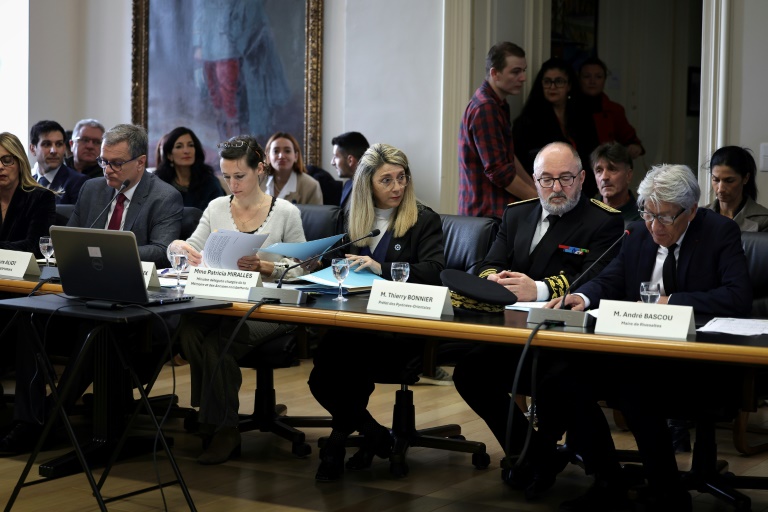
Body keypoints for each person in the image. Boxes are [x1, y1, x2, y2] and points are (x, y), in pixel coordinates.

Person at [548, 164, 751, 511]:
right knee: (565, 377)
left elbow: (737, 296)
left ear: (690, 211)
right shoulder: (638, 233)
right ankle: (608, 478)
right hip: (639, 351)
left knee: (634, 387)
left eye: (665, 218)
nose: (654, 226)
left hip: (697, 360)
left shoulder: (720, 232)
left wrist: (672, 302)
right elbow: (611, 278)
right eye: (647, 214)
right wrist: (583, 297)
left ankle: (668, 492)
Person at [451, 142, 624, 499]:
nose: (556, 188)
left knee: (557, 380)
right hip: (515, 334)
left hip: (568, 339)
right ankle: (530, 452)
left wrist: (540, 290)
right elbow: (487, 262)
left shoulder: (603, 221)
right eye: (546, 179)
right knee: (470, 371)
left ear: (581, 179)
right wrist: (492, 281)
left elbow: (597, 277)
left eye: (565, 179)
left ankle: (605, 474)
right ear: (534, 179)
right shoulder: (517, 214)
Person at [308, 143, 445, 482]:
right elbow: (332, 260)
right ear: (367, 184)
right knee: (321, 377)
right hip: (354, 322)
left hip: (400, 329)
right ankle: (378, 437)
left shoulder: (423, 219)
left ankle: (340, 443)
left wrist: (381, 266)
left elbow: (434, 270)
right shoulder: (351, 215)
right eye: (387, 180)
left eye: (402, 178)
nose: (397, 187)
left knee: (345, 365)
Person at [170, 135, 306, 465]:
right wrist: (179, 248)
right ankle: (212, 416)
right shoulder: (217, 207)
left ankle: (223, 428)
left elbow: (304, 267)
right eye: (226, 177)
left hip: (269, 305)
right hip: (222, 301)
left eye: (239, 176)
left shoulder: (285, 212)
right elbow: (187, 245)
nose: (232, 184)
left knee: (219, 343)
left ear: (260, 169)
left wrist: (266, 266)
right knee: (187, 330)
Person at [68, 124, 183, 268]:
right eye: (103, 161)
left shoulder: (164, 197)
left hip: (133, 276)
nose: (107, 170)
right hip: (87, 271)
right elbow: (70, 239)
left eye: (117, 163)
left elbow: (162, 251)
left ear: (140, 162)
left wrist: (109, 251)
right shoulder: (91, 189)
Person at [458, 41, 537, 218]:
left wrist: (534, 186)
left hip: (490, 212)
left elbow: (507, 157)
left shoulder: (497, 103)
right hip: (485, 215)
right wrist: (539, 199)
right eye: (516, 72)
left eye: (523, 71)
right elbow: (500, 172)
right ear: (495, 73)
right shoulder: (486, 107)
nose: (523, 78)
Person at [513, 58, 600, 199]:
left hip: (582, 194)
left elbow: (593, 155)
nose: (552, 87)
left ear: (569, 85)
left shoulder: (582, 118)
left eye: (559, 81)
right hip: (547, 195)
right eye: (547, 82)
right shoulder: (527, 122)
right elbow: (520, 165)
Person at [0, 132, 56, 257]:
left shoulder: (41, 198)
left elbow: (36, 246)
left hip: (27, 273)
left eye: (7, 160)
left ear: (20, 162)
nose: (0, 166)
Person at [578, 57, 644, 159]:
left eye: (598, 77)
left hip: (602, 167)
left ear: (604, 80)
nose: (592, 81)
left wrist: (634, 147)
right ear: (579, 79)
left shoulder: (614, 110)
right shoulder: (568, 107)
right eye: (587, 76)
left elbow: (630, 139)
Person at [154, 126, 225, 211]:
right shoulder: (158, 182)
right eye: (179, 146)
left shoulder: (209, 181)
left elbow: (220, 213)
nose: (186, 151)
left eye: (190, 145)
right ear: (170, 156)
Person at [706, 145, 768, 231]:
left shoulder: (763, 220)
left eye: (729, 181)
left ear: (745, 178)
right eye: (715, 179)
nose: (720, 189)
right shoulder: (699, 215)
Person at [29, 120, 88, 205]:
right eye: (47, 144)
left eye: (59, 144)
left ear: (64, 147)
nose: (54, 151)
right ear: (32, 149)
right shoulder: (26, 183)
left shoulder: (79, 183)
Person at [262, 132, 323, 205]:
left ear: (296, 156)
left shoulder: (311, 186)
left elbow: (314, 216)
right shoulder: (257, 182)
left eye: (287, 151)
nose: (281, 156)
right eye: (276, 151)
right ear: (268, 156)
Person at [591, 142, 641, 222]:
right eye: (599, 171)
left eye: (612, 169)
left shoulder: (643, 220)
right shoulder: (584, 213)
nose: (604, 177)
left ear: (628, 175)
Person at [330, 131, 370, 211]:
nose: (332, 162)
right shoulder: (348, 185)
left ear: (350, 160)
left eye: (336, 157)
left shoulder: (373, 189)